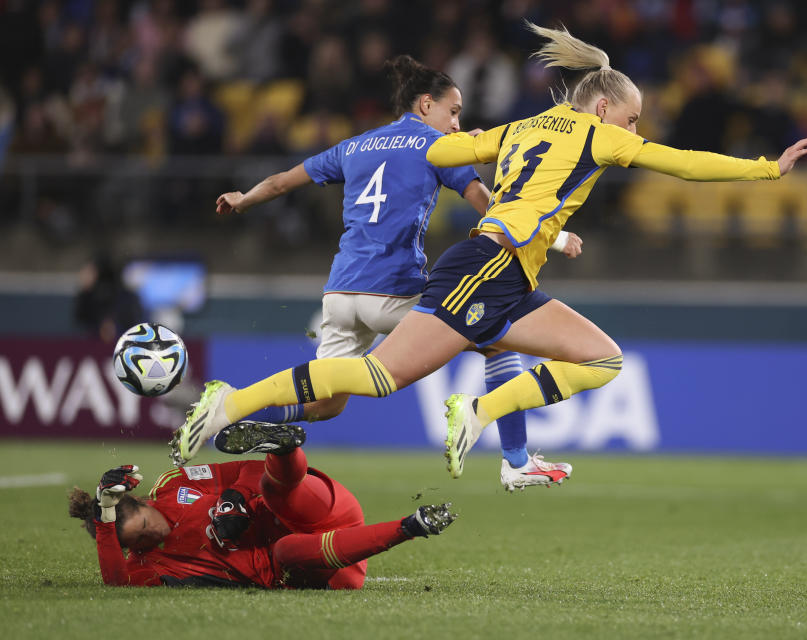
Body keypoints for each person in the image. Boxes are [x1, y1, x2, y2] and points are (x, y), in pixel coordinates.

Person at [170, 23, 807, 480]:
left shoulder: (524, 126)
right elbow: (678, 163)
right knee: (377, 378)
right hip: (485, 266)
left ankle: (482, 415)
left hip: (507, 275)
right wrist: (765, 169)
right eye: (631, 119)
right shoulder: (599, 136)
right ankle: (230, 402)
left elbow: (441, 151)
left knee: (603, 359)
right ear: (600, 106)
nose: (634, 132)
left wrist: (478, 142)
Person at [207, 54, 581, 491]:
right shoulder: (437, 147)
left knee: (327, 404)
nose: (458, 124)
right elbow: (487, 203)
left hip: (340, 294)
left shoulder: (353, 145)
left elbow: (281, 182)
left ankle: (232, 415)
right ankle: (516, 462)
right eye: (453, 111)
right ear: (426, 105)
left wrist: (242, 199)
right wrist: (552, 238)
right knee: (498, 341)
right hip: (393, 291)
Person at [68, 422, 456, 589]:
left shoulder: (173, 484)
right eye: (146, 540)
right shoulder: (147, 566)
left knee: (273, 490)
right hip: (325, 568)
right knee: (285, 550)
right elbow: (114, 582)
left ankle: (284, 447)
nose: (157, 534)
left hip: (317, 508)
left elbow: (247, 469)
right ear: (133, 549)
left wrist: (234, 498)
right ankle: (411, 526)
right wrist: (104, 518)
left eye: (149, 523)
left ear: (144, 500)